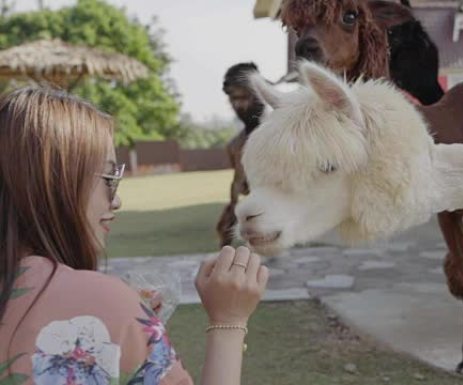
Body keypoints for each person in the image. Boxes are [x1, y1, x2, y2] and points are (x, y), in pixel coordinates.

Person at [0, 87, 269, 385]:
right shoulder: (103, 303)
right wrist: (228, 321)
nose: (115, 201)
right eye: (109, 179)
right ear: (54, 183)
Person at [216, 62, 265, 246]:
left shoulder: (282, 134)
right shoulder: (235, 146)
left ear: (260, 94)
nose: (238, 105)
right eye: (233, 99)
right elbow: (240, 186)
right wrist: (232, 210)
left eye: (244, 97)